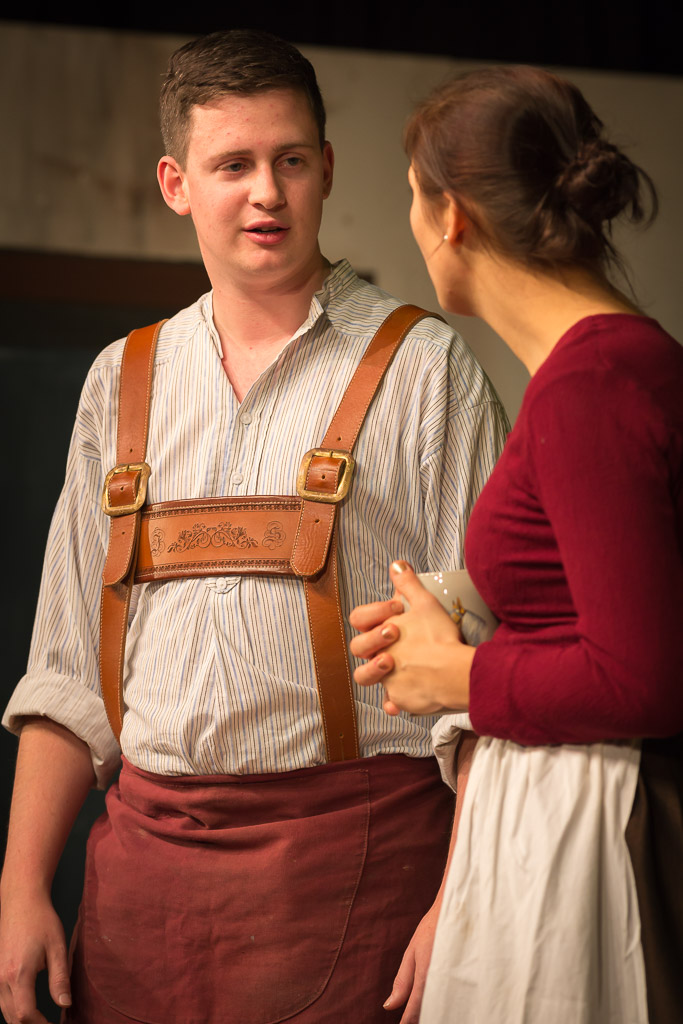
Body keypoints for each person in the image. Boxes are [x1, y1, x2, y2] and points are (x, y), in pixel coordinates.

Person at [0, 30, 507, 1024]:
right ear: (176, 184)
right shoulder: (121, 381)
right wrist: (19, 889)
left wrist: (459, 900)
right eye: (232, 165)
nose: (266, 193)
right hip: (139, 890)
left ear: (327, 169)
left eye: (290, 160)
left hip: (356, 875)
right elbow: (66, 671)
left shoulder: (425, 369)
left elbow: (486, 676)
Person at [349, 65, 683, 1023]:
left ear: (450, 216)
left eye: (411, 198)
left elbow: (643, 679)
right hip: (570, 803)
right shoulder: (623, 363)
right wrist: (472, 608)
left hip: (592, 831)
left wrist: (456, 675)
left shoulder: (589, 387)